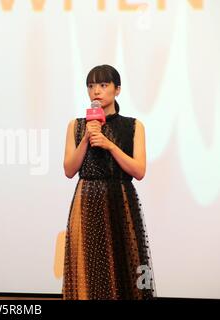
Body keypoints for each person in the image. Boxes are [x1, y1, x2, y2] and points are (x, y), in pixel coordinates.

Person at [62, 65, 155, 299]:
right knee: (87, 268)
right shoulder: (77, 125)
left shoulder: (134, 126)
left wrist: (109, 144)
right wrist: (86, 139)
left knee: (125, 267)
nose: (96, 91)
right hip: (87, 201)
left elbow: (139, 171)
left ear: (117, 89)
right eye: (91, 86)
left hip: (120, 199)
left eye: (103, 85)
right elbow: (69, 170)